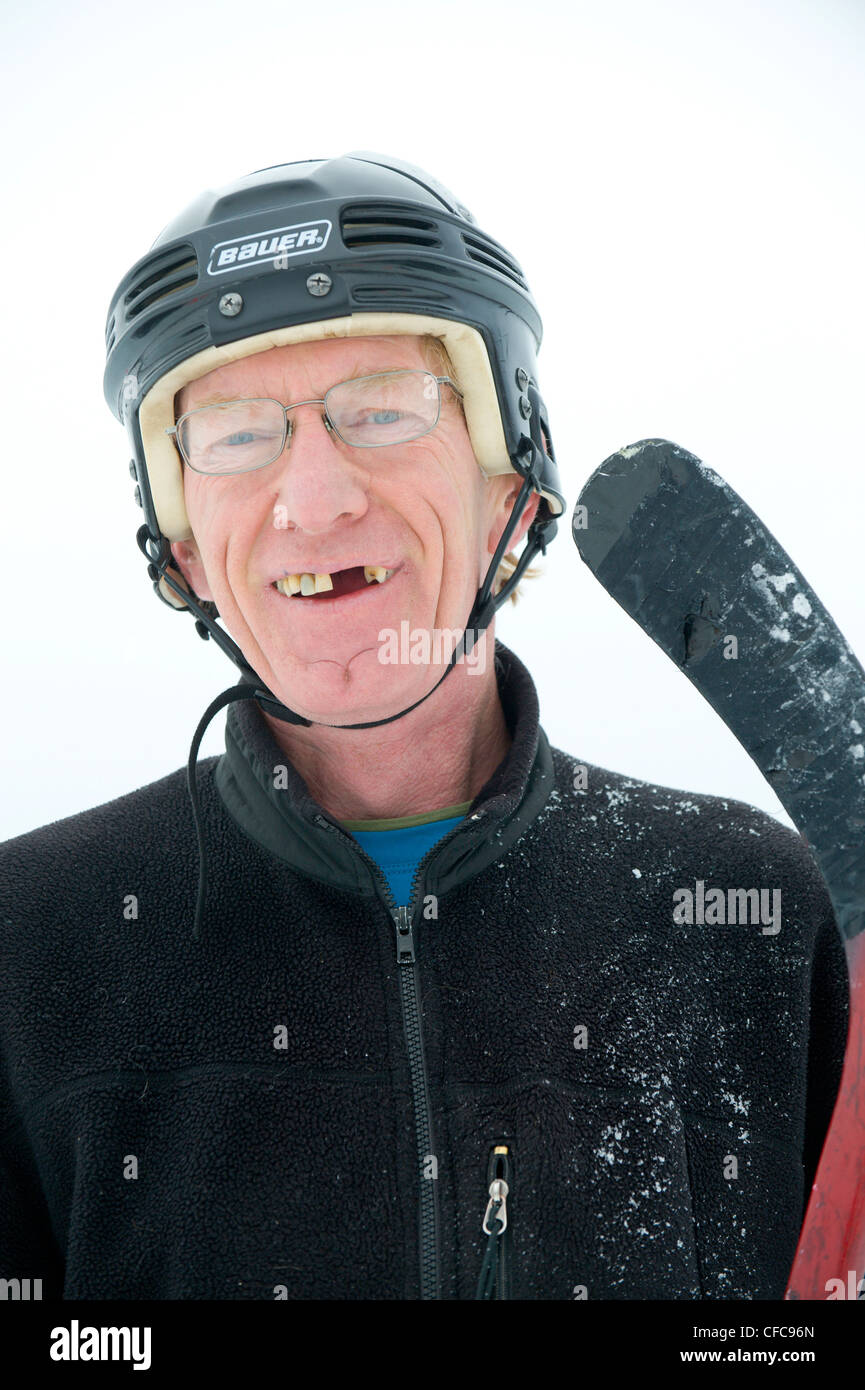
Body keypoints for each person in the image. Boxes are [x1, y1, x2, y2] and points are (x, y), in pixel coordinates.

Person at [0, 153, 848, 1302]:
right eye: (237, 433)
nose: (315, 497)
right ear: (182, 541)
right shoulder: (35, 941)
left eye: (384, 408)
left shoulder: (747, 909)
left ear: (513, 483)